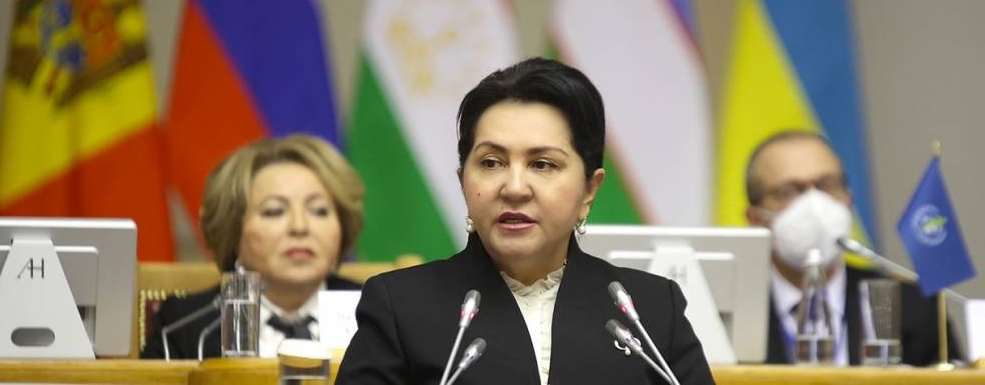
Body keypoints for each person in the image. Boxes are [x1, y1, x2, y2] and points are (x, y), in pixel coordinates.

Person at [337, 58, 714, 384]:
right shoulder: (401, 306)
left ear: (589, 190)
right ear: (463, 181)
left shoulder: (648, 310)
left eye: (542, 164)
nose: (515, 188)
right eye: (491, 163)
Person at [141, 134, 364, 359]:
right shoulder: (183, 324)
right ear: (233, 229)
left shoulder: (374, 313)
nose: (300, 227)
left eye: (319, 210)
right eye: (274, 211)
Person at [744, 130, 957, 366]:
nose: (814, 205)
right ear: (755, 218)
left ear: (848, 199)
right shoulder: (728, 311)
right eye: (789, 191)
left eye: (827, 186)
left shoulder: (912, 305)